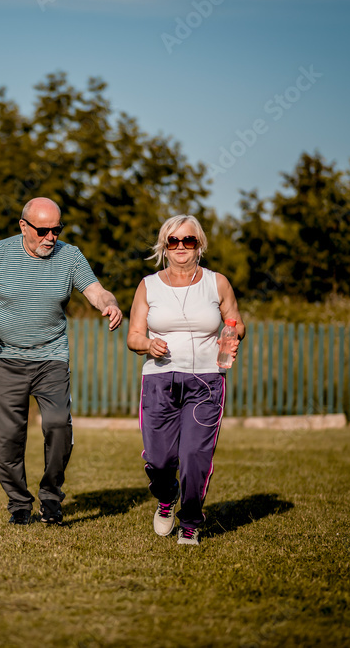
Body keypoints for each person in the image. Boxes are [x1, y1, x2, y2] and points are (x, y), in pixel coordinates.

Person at [0, 197, 122, 526]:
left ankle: (50, 495)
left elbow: (97, 292)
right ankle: (19, 502)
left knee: (58, 423)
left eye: (56, 230)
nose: (50, 237)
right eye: (43, 230)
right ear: (23, 226)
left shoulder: (70, 256)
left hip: (51, 356)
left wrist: (111, 304)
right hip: (3, 357)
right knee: (9, 437)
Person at [126, 214, 245, 545]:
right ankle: (166, 499)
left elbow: (235, 320)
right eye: (173, 241)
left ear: (200, 245)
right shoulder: (148, 285)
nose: (181, 246)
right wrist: (148, 343)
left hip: (206, 382)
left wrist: (232, 332)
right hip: (159, 381)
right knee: (158, 459)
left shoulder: (216, 282)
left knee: (195, 456)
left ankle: (190, 521)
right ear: (165, 246)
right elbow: (133, 336)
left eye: (188, 240)